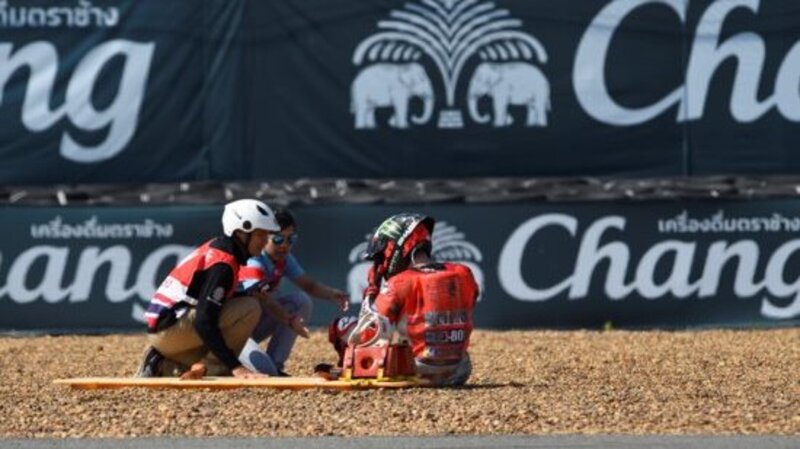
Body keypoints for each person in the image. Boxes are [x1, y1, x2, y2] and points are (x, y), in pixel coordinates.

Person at [135, 199, 281, 379]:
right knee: (249, 308)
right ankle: (218, 368)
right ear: (241, 233)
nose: (265, 240)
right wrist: (236, 367)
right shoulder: (223, 264)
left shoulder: (221, 250)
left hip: (166, 330)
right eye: (260, 234)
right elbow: (204, 321)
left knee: (206, 362)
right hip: (170, 329)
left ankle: (161, 365)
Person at [328, 213, 478, 386]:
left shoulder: (400, 282)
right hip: (460, 368)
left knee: (342, 325)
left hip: (416, 369)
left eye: (382, 255)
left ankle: (349, 367)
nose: (381, 262)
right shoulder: (464, 272)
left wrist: (372, 293)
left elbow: (372, 333)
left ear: (397, 247)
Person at [236, 208, 349, 376]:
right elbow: (266, 300)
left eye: (291, 239)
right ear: (263, 238)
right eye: (278, 239)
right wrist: (290, 320)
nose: (285, 245)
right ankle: (225, 361)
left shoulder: (283, 258)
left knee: (301, 301)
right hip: (233, 332)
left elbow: (309, 285)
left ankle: (276, 365)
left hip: (250, 326)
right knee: (267, 372)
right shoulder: (254, 260)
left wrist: (332, 293)